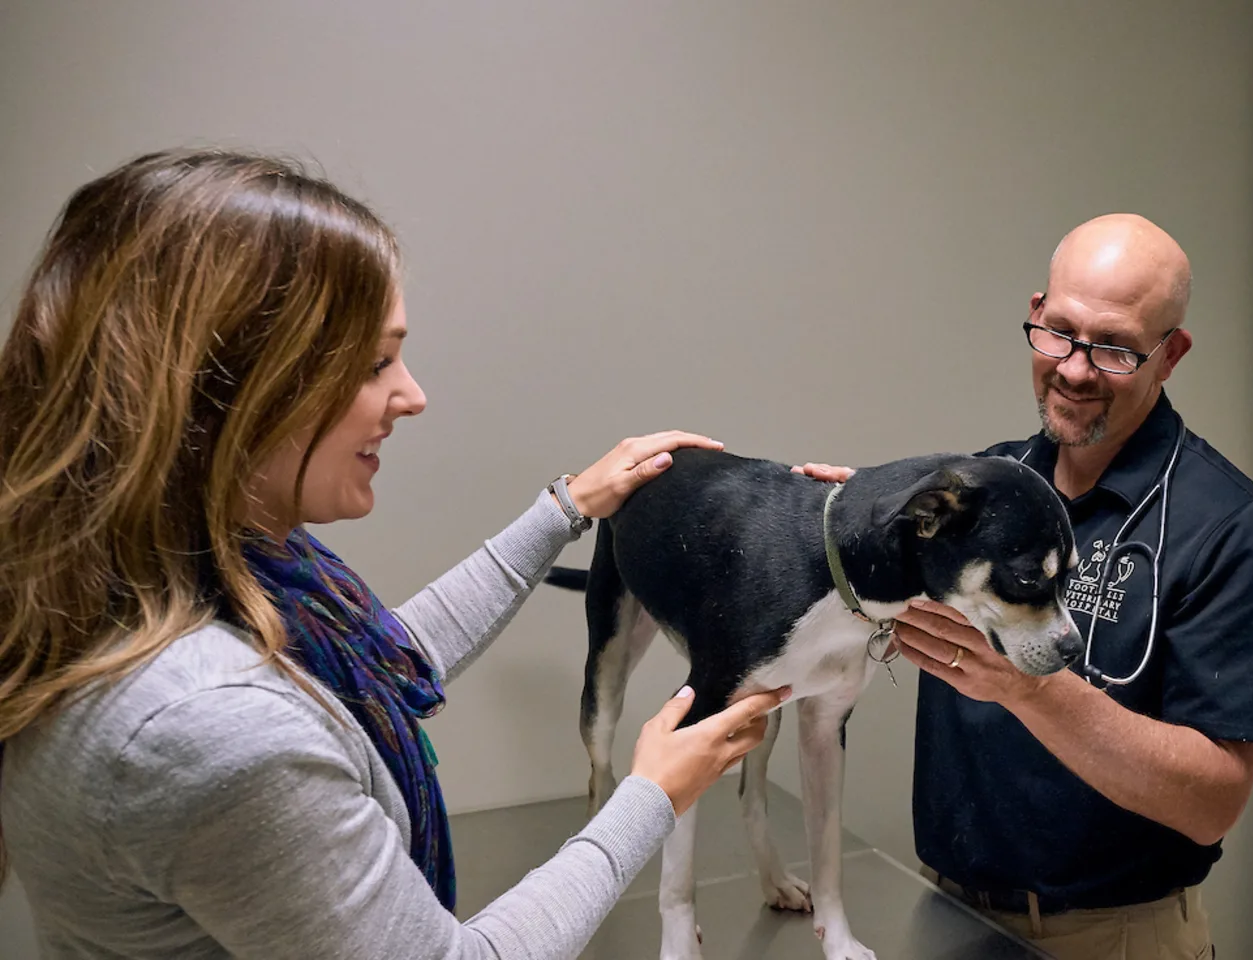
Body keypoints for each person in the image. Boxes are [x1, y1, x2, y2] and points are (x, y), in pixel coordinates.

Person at [0, 148, 789, 960]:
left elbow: (380, 666)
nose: (412, 396)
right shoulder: (208, 731)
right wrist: (650, 797)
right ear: (227, 382)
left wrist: (566, 507)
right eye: (374, 363)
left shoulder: (165, 574)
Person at [797, 214, 1253, 959]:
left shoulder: (1233, 529)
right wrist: (846, 527)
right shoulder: (978, 488)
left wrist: (1030, 687)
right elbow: (859, 575)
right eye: (1059, 331)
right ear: (1036, 313)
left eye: (1116, 348)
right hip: (945, 912)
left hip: (1112, 936)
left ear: (1172, 354)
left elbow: (1212, 803)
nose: (1074, 368)